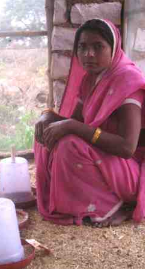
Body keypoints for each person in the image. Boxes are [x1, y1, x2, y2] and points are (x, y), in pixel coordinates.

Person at [34, 19, 145, 226]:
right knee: (45, 133)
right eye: (82, 47)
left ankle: (115, 203)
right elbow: (75, 122)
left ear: (114, 48)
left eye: (98, 47)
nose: (89, 54)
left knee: (69, 145)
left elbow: (127, 147)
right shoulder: (90, 79)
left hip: (131, 170)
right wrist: (47, 116)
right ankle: (70, 198)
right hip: (106, 157)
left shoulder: (127, 80)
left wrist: (72, 127)